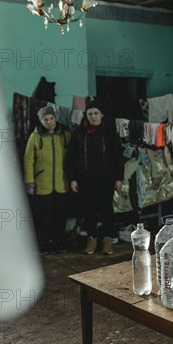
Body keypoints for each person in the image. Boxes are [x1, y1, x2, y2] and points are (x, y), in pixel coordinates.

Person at [66, 99, 124, 255]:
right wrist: (73, 178)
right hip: (85, 179)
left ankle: (107, 240)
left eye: (96, 113)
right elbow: (71, 157)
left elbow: (118, 156)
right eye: (90, 113)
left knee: (106, 210)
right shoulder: (79, 133)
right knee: (88, 210)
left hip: (106, 179)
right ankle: (91, 240)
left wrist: (119, 177)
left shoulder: (110, 132)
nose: (93, 116)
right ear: (86, 115)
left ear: (101, 114)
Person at [23, 106, 71, 253]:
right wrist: (30, 182)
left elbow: (74, 156)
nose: (49, 122)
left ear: (56, 119)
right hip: (42, 184)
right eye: (46, 119)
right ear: (41, 121)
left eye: (51, 119)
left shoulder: (65, 135)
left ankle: (59, 240)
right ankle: (46, 243)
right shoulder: (35, 137)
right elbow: (28, 160)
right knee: (45, 216)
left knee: (61, 214)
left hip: (62, 183)